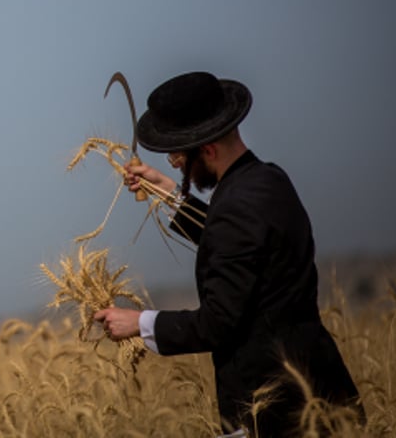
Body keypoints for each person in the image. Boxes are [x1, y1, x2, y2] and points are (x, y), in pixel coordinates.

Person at [92, 71, 361, 437]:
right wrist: (171, 192)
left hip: (278, 413)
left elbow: (219, 322)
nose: (173, 163)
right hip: (320, 391)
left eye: (178, 156)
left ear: (208, 150)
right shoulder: (267, 180)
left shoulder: (236, 207)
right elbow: (238, 245)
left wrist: (139, 323)